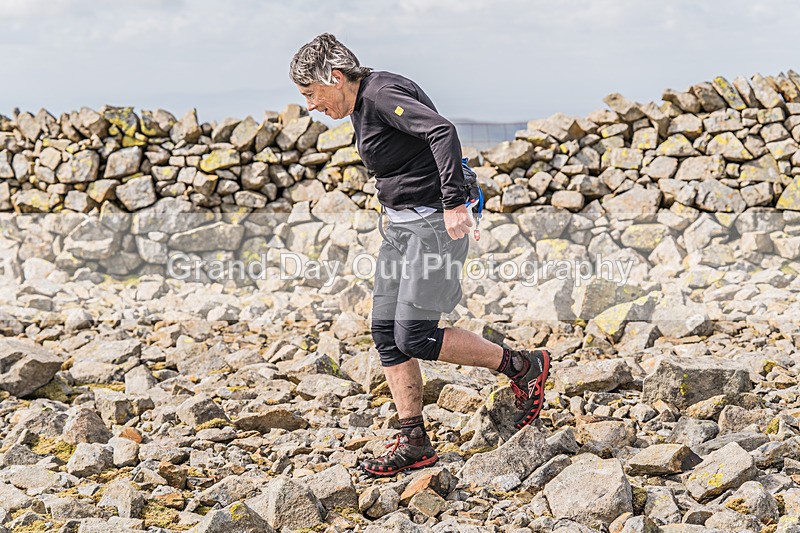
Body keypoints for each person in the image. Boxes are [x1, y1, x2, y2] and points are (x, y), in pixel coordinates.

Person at [289, 33, 551, 477]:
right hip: (402, 230)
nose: (312, 105)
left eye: (311, 94)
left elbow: (441, 131)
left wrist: (452, 203)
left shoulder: (381, 93)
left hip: (434, 228)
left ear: (334, 78)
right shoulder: (360, 103)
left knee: (416, 336)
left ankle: (523, 366)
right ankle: (413, 440)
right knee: (385, 332)